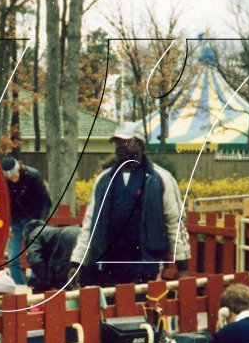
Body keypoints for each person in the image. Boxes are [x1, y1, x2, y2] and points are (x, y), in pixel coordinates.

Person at [69, 122, 189, 287]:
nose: (119, 147)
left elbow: (175, 224)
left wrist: (182, 266)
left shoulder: (161, 179)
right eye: (117, 143)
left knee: (141, 304)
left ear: (139, 143)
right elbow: (90, 224)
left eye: (125, 142)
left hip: (146, 265)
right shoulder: (103, 180)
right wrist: (77, 263)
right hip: (109, 267)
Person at [0, 156, 51, 285]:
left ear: (19, 169)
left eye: (14, 176)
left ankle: (35, 283)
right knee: (13, 257)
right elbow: (1, 204)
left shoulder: (33, 176)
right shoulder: (3, 181)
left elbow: (46, 201)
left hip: (33, 219)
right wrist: (6, 225)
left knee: (35, 254)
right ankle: (20, 287)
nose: (13, 179)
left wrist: (41, 222)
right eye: (9, 178)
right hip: (16, 221)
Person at [24, 219, 80, 292]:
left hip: (68, 241)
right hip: (80, 234)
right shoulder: (50, 233)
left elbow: (35, 261)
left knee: (66, 283)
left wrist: (44, 281)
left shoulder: (34, 234)